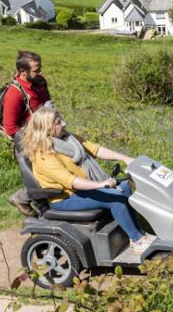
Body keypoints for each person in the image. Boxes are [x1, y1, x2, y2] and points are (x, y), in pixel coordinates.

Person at [20, 107, 156, 255]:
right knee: (115, 198)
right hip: (65, 197)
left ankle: (137, 232)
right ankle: (138, 241)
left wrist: (125, 158)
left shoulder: (69, 139)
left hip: (81, 190)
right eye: (59, 122)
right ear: (46, 128)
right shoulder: (43, 154)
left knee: (125, 187)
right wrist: (100, 184)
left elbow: (95, 149)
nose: (64, 123)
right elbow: (70, 181)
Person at [3, 51, 52, 216]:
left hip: (48, 137)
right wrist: (35, 140)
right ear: (23, 72)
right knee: (43, 180)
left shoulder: (40, 83)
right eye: (36, 70)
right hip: (30, 143)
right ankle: (24, 201)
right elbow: (10, 128)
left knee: (52, 176)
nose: (40, 73)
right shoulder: (15, 93)